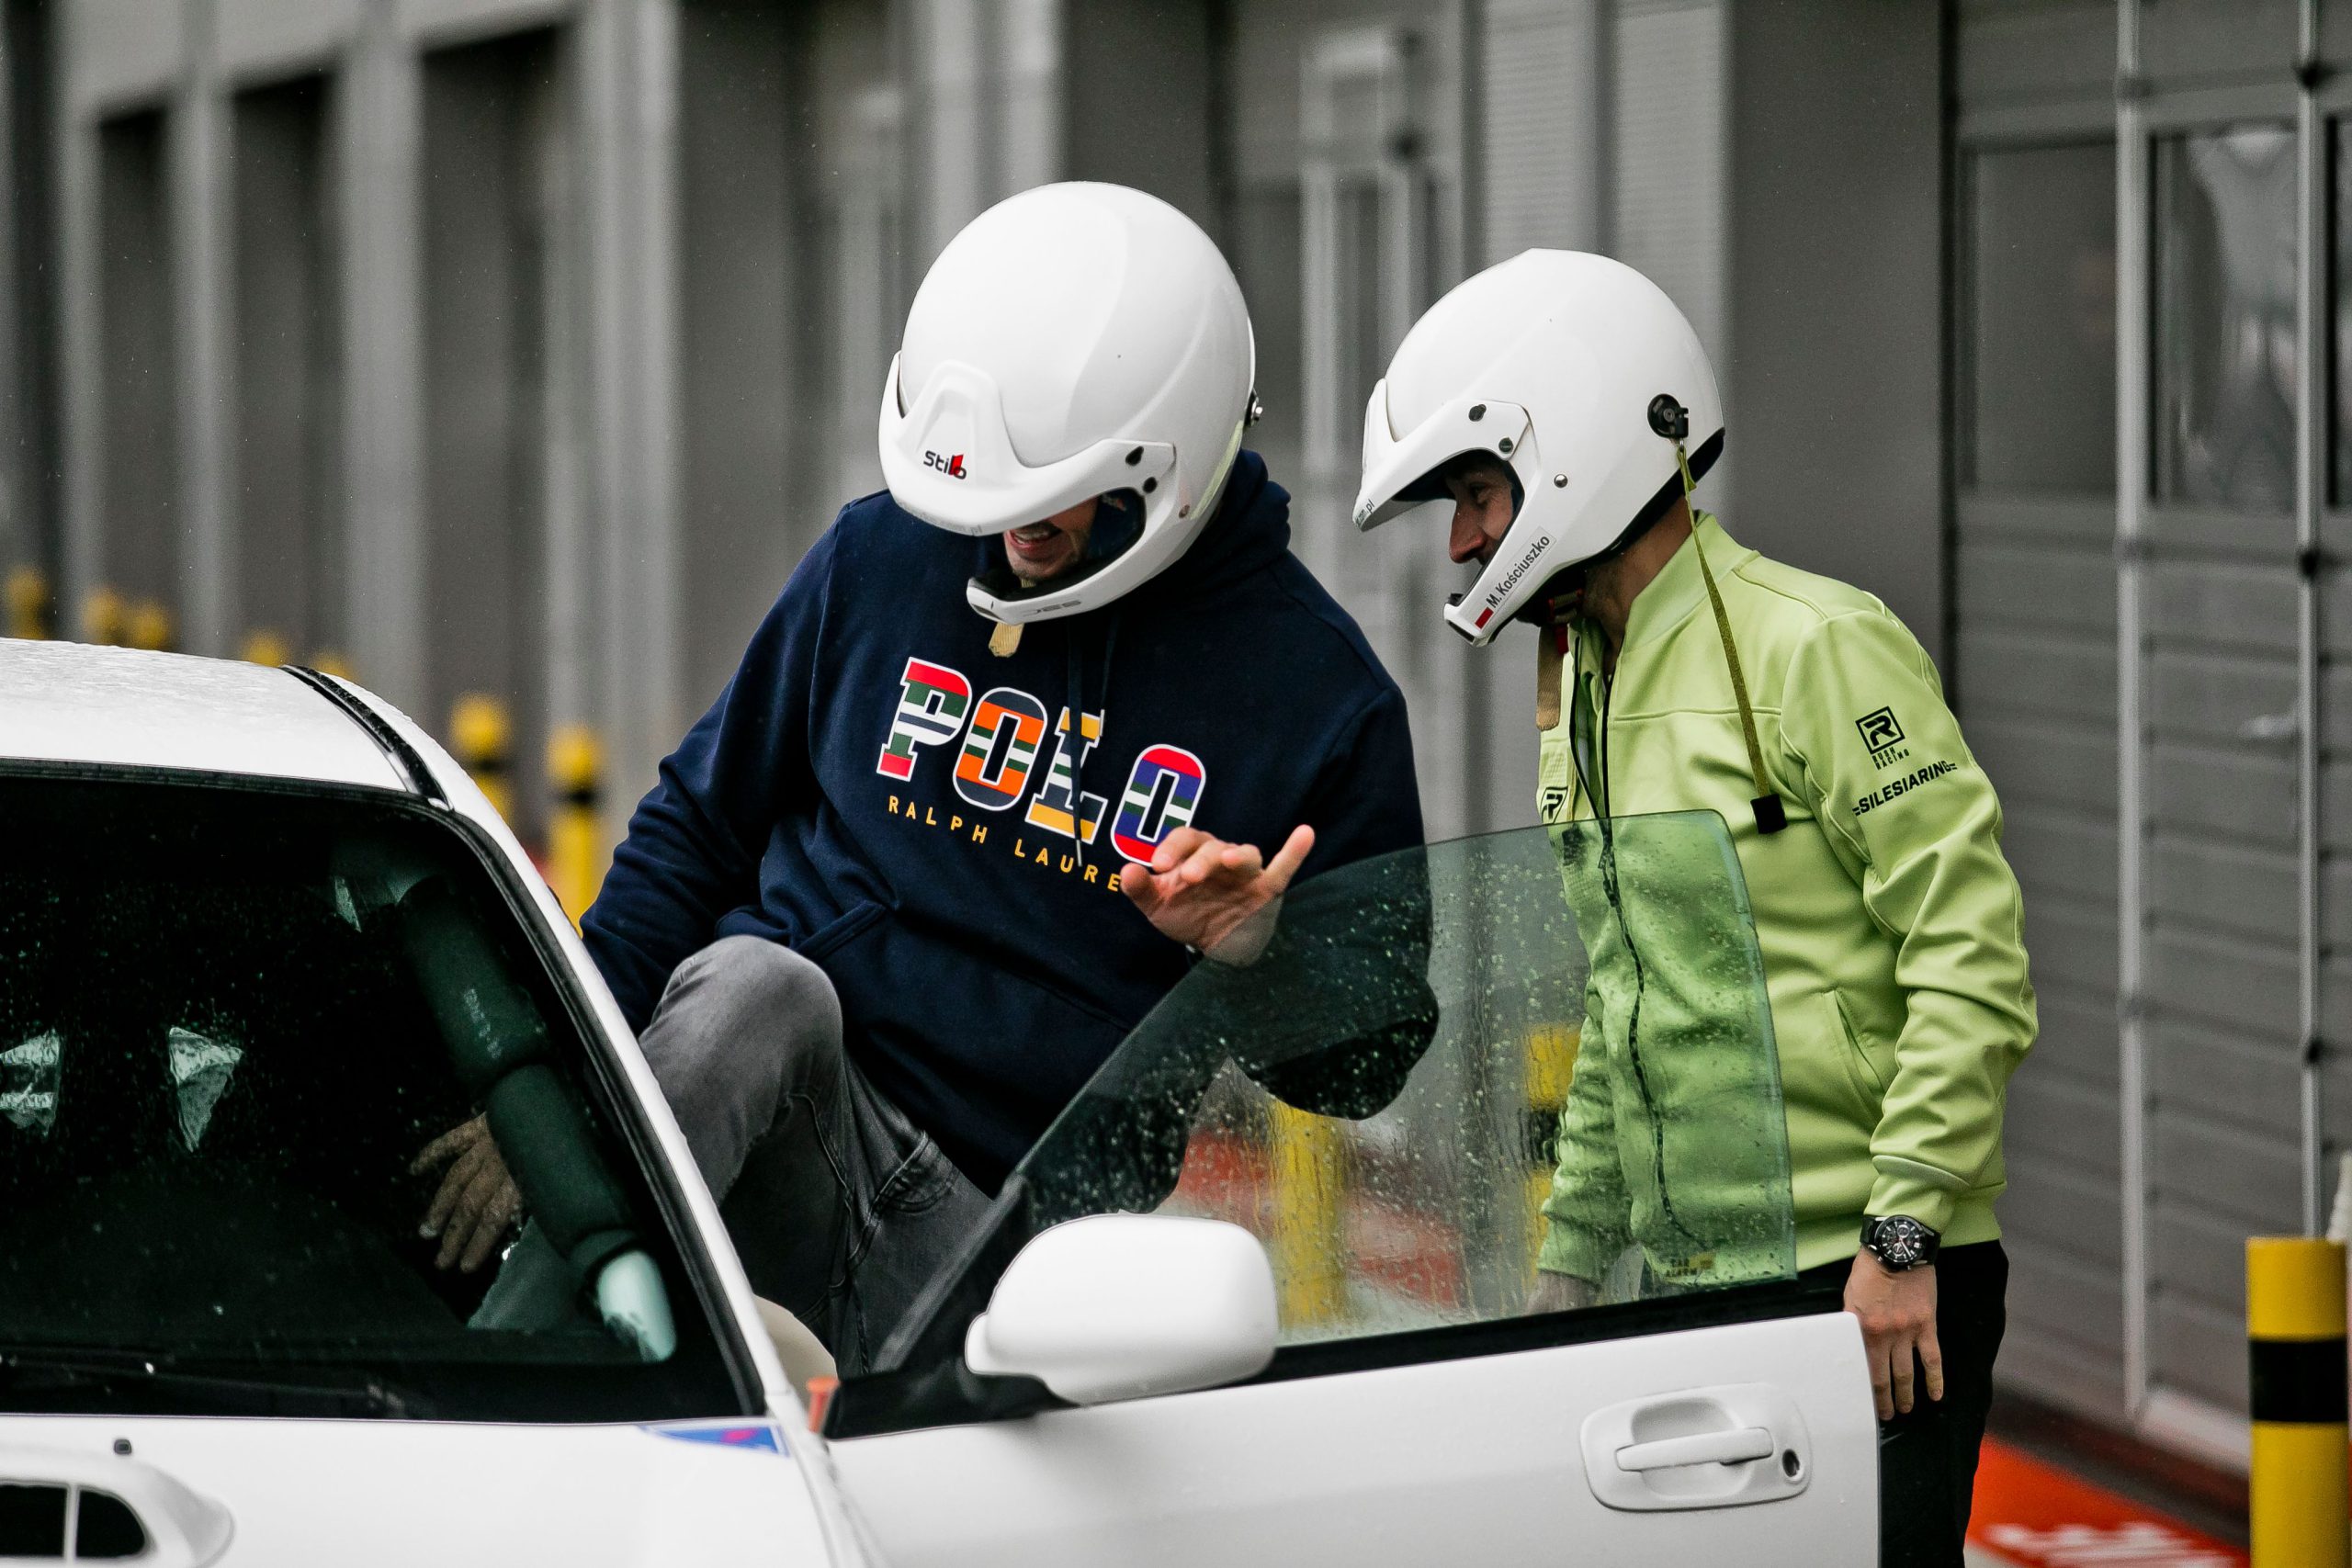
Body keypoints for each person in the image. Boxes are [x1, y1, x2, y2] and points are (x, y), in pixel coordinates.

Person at [416, 183, 1424, 1373]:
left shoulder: (1318, 696)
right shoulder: (883, 554)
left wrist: (1257, 958)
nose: (1008, 536)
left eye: (1048, 503)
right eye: (988, 499)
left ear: (1169, 461)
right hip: (776, 1139)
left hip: (1003, 1250)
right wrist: (553, 1094)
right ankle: (491, 1387)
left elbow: (1373, 1062)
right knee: (758, 988)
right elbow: (696, 826)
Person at [1348, 249, 2034, 1567]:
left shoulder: (1816, 644)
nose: (1464, 541)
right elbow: (1628, 1000)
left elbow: (1972, 956)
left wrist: (1903, 1236)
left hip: (1871, 1273)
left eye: (1478, 493)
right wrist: (1570, 1266)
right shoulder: (1582, 691)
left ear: (1576, 447)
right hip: (1694, 1279)